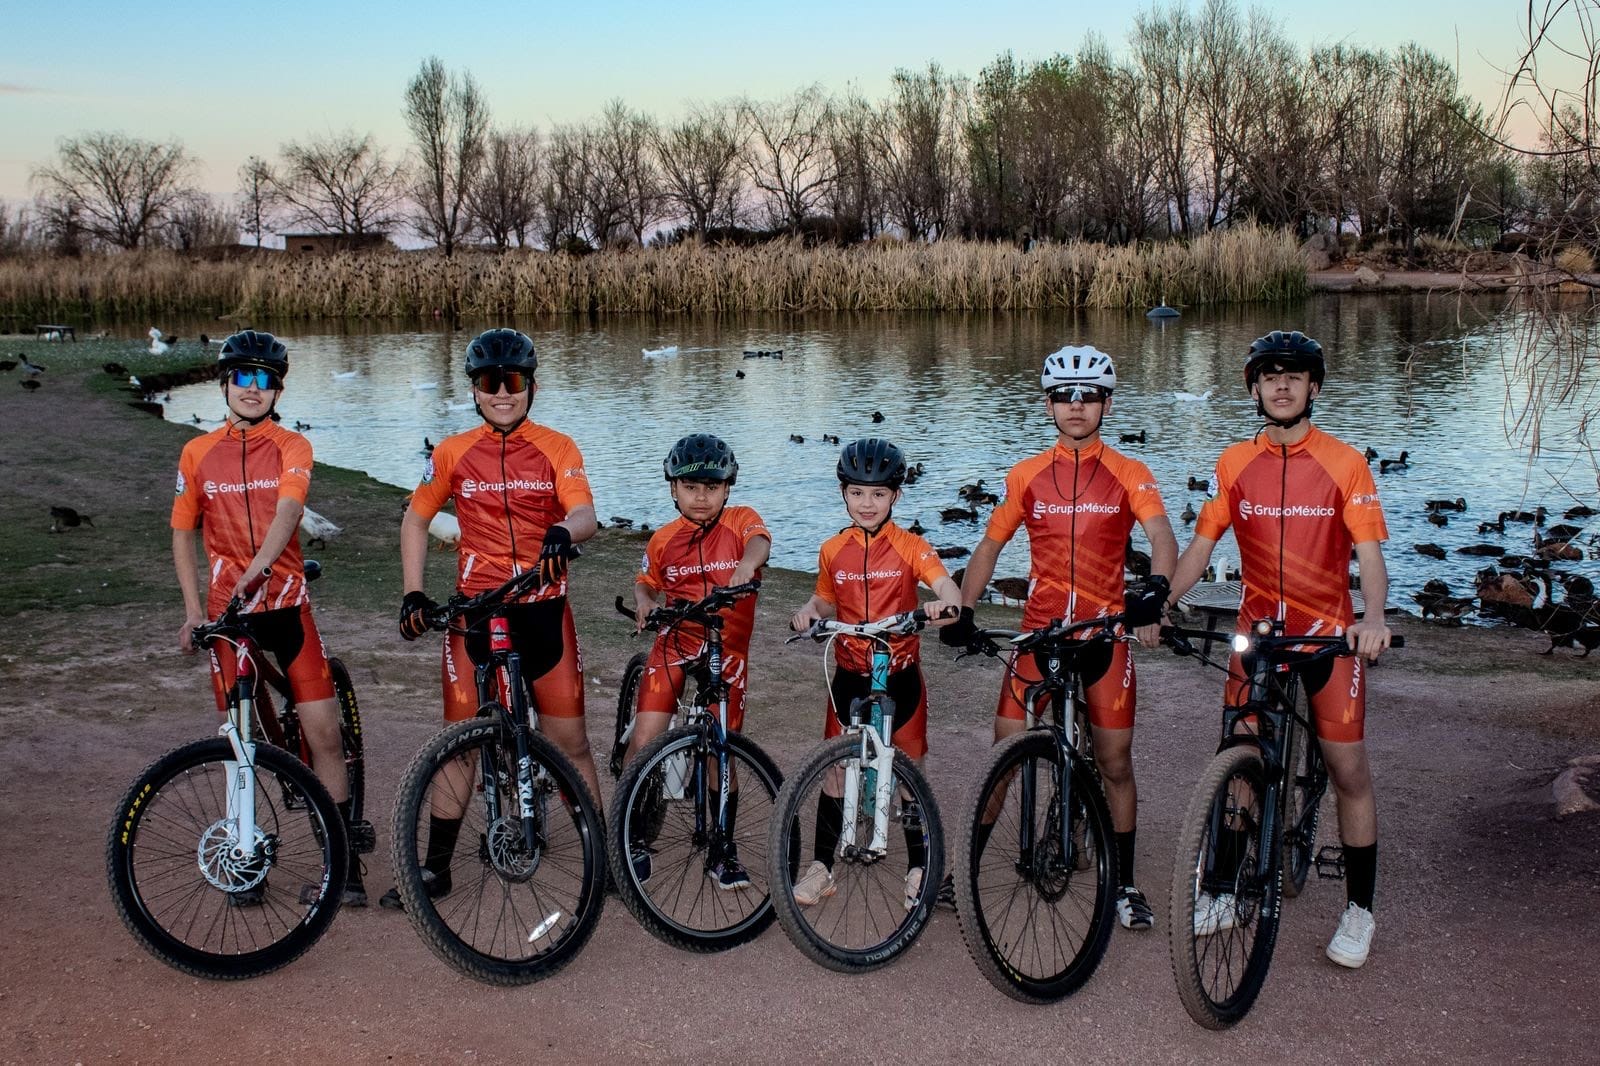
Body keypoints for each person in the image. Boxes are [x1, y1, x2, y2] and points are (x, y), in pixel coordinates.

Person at [1165, 329, 1392, 969]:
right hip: (1259, 632)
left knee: (1348, 769)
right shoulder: (1235, 463)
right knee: (1240, 756)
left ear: (1313, 387)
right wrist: (1160, 603)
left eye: (1294, 375)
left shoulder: (1346, 463)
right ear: (1256, 388)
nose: (1282, 385)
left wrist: (1372, 617)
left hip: (1328, 636)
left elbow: (1370, 558)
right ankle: (1227, 890)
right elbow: (1203, 546)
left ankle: (1359, 909)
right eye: (1270, 376)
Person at [941, 345, 1177, 931]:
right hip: (1040, 631)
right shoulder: (1026, 475)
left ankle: (1123, 884)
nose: (1077, 407)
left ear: (1107, 403)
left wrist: (1157, 590)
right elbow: (991, 546)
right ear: (1048, 404)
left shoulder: (1130, 473)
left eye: (1089, 396)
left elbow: (1163, 536)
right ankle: (963, 870)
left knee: (1115, 762)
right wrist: (962, 609)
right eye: (1065, 396)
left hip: (1104, 631)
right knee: (1004, 752)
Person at [386, 327, 600, 909]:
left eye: (513, 382)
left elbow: (585, 513)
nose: (502, 393)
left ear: (530, 385)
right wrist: (412, 592)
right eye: (490, 383)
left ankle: (599, 859)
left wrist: (562, 529)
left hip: (542, 609)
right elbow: (414, 519)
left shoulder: (558, 447)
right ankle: (435, 869)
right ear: (475, 390)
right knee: (457, 742)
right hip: (475, 613)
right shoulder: (452, 452)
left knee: (571, 742)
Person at [171, 329, 366, 906]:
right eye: (242, 377)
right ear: (226, 384)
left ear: (277, 388)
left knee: (325, 733)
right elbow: (182, 534)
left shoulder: (292, 447)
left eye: (264, 378)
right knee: (239, 743)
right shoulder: (197, 453)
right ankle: (243, 859)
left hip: (285, 606)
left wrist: (258, 571)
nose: (252, 388)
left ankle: (342, 867)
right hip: (226, 616)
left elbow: (289, 512)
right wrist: (190, 612)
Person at [789, 438, 963, 910]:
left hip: (901, 676)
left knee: (910, 778)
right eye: (858, 493)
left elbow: (944, 582)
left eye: (879, 494)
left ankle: (919, 869)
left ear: (896, 498)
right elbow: (825, 599)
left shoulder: (911, 547)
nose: (867, 504)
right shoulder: (833, 550)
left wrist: (946, 601)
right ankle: (822, 868)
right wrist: (808, 611)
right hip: (848, 675)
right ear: (844, 494)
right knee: (834, 774)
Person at [625, 433, 771, 889]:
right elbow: (645, 583)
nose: (701, 496)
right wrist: (646, 601)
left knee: (722, 750)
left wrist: (748, 566)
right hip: (677, 638)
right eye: (690, 487)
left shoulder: (741, 520)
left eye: (711, 486)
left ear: (728, 488)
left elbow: (759, 541)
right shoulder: (664, 539)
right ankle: (632, 839)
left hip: (726, 648)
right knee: (647, 737)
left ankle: (722, 851)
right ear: (673, 489)